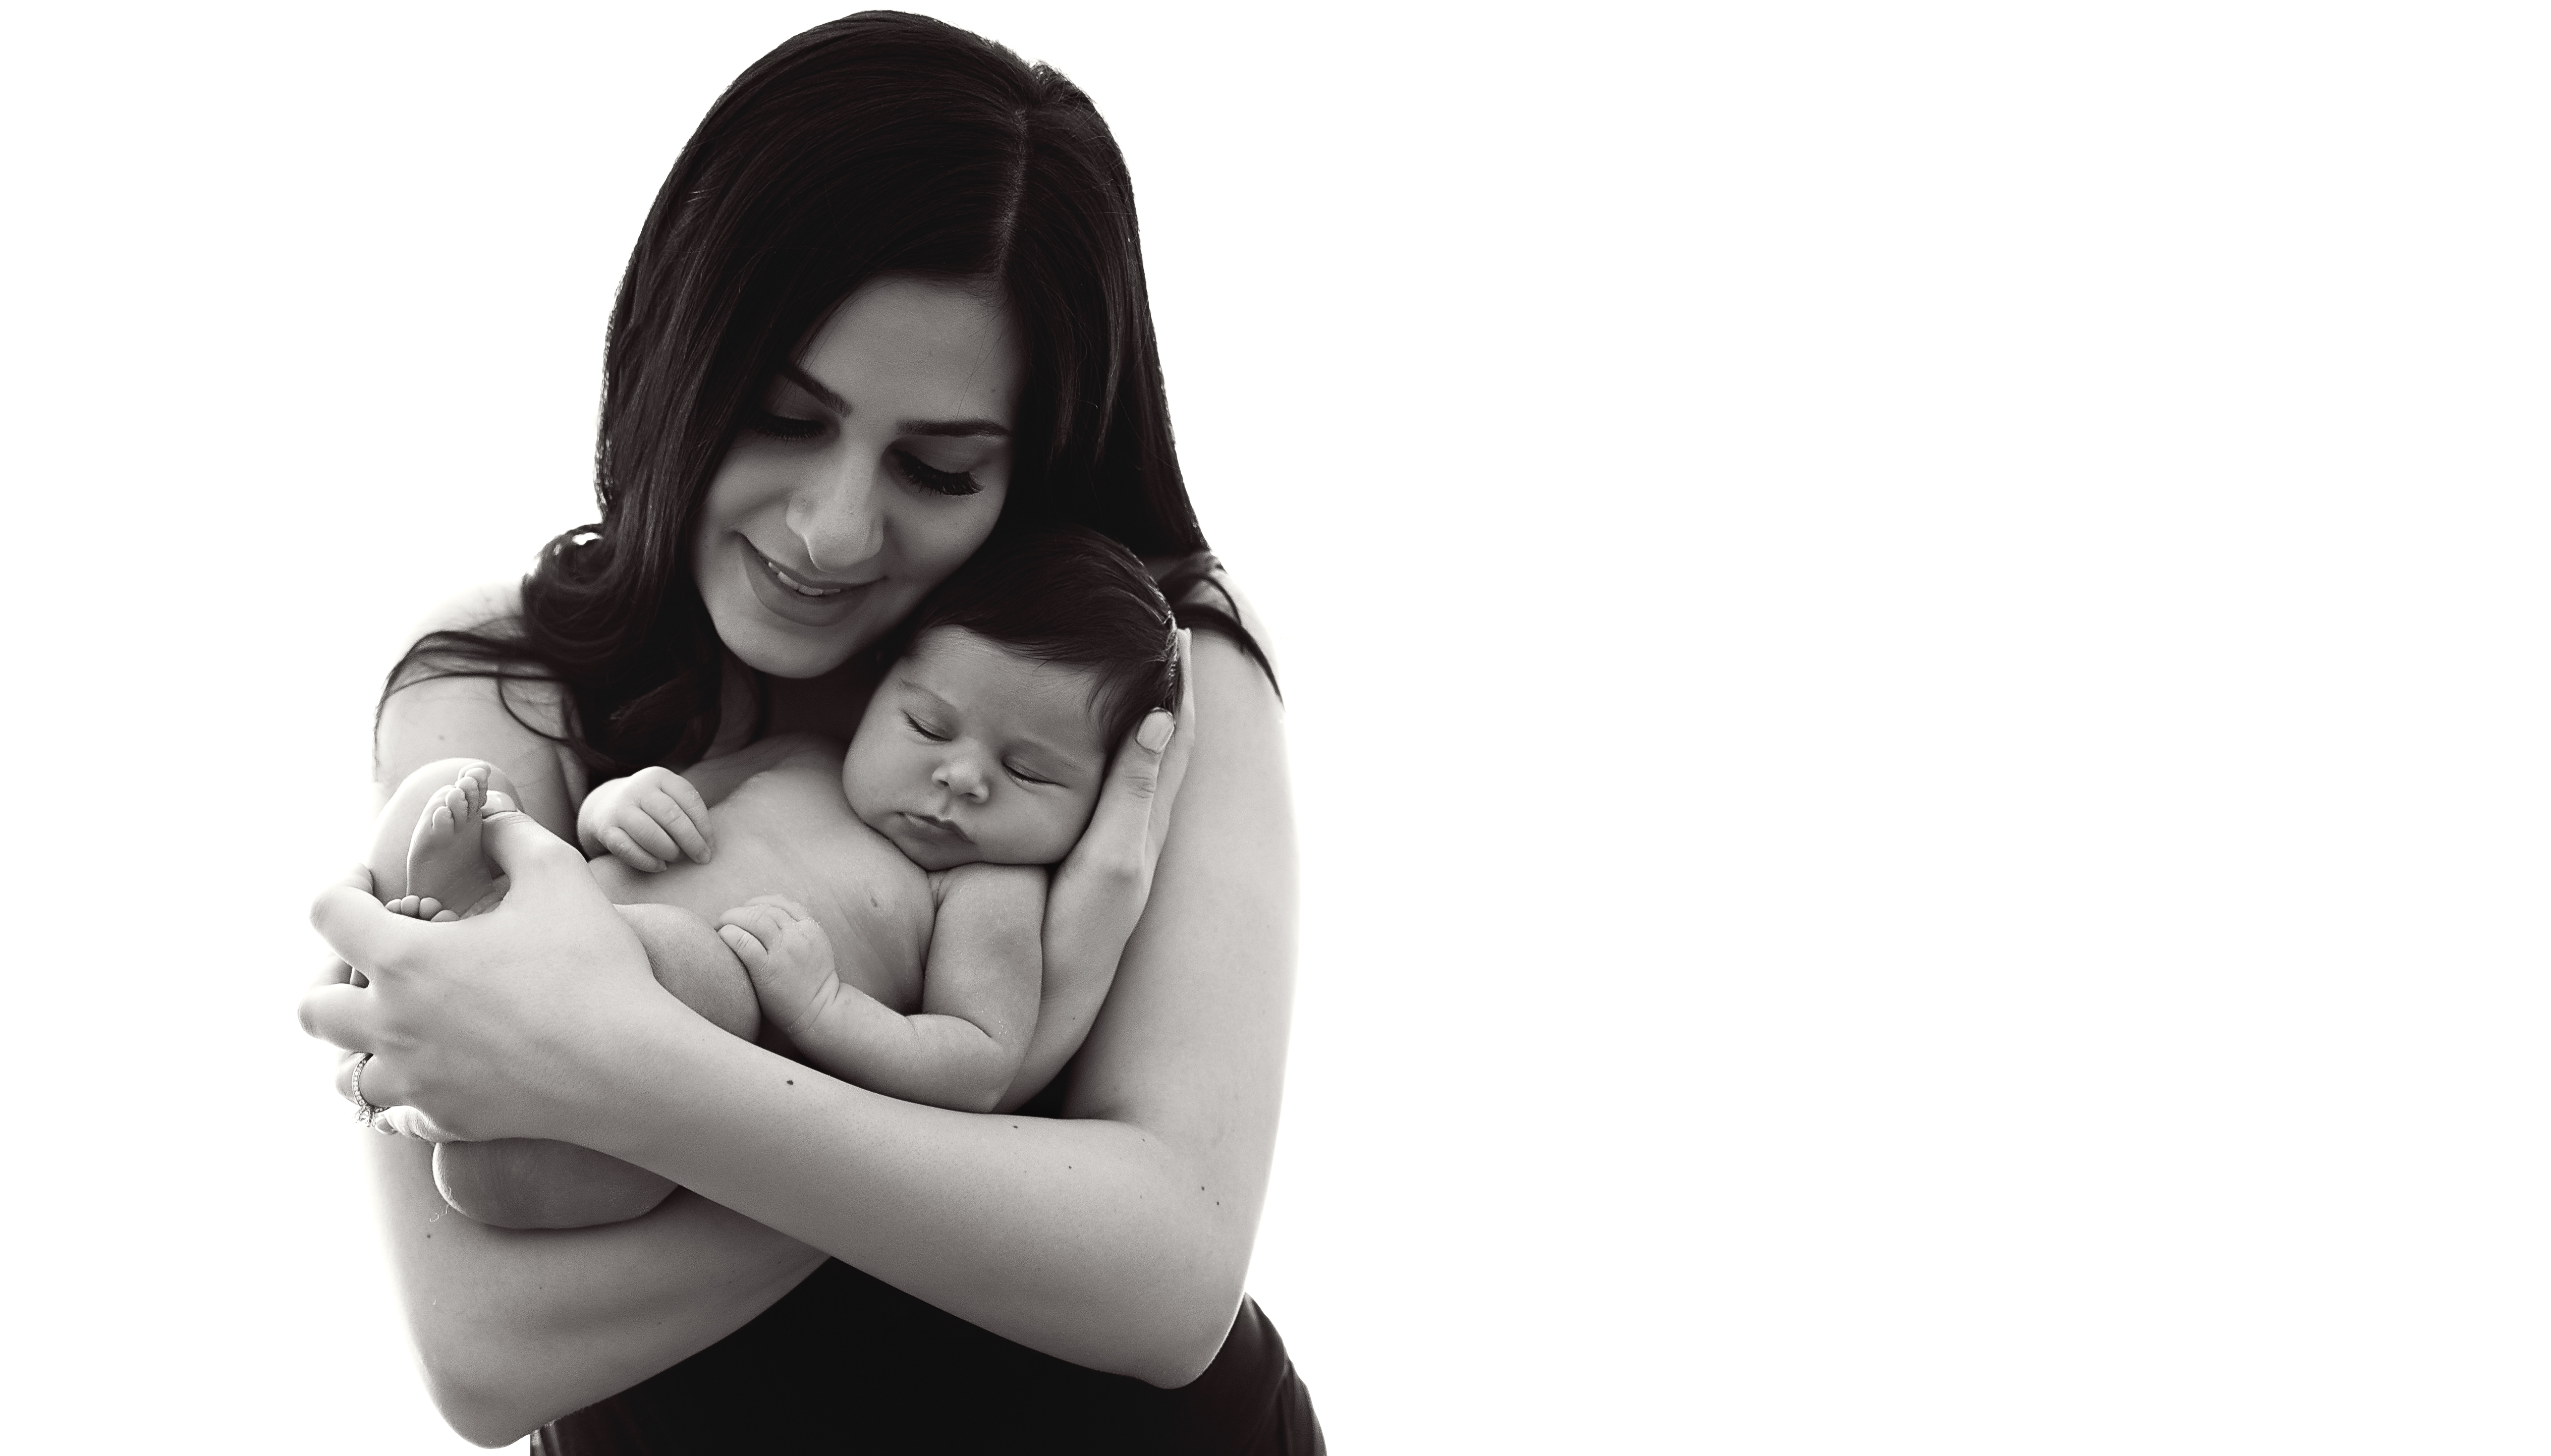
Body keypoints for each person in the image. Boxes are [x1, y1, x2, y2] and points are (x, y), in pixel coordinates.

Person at [298, 12, 1320, 1451]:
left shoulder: (1133, 677)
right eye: (782, 416)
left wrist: (615, 1062)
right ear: (677, 359)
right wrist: (1015, 1089)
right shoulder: (503, 684)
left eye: (939, 464)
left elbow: (1164, 1281)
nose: (834, 527)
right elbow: (487, 1348)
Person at [391, 527, 1191, 1229]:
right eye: (928, 724)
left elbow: (980, 1062)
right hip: (550, 952)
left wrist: (825, 1007)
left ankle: (472, 973)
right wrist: (619, 804)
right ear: (880, 687)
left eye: (1028, 772)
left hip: (648, 1079)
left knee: (694, 961)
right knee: (464, 788)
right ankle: (472, 930)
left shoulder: (988, 889)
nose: (962, 776)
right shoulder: (802, 759)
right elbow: (659, 800)